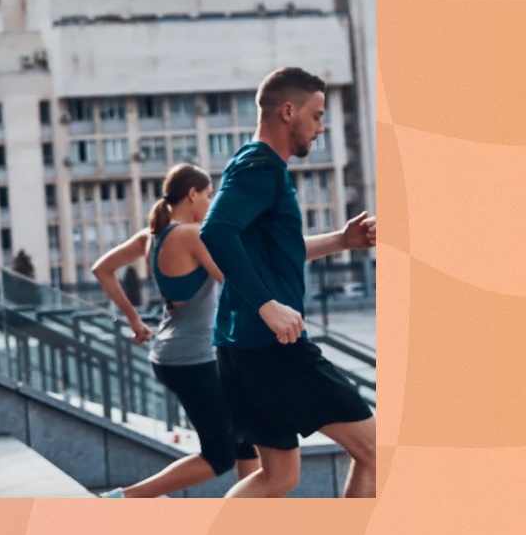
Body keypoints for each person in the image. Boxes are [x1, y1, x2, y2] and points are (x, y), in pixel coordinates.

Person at [201, 66, 376, 497]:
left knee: (279, 476)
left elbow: (276, 250)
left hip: (244, 348)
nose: (320, 128)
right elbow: (215, 231)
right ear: (287, 111)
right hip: (271, 349)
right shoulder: (260, 167)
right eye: (316, 116)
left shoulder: (253, 163)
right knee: (376, 450)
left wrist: (341, 240)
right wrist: (267, 305)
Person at [93, 164, 259, 498]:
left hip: (175, 353)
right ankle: (125, 498)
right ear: (192, 194)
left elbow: (102, 269)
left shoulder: (151, 237)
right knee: (220, 454)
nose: (210, 203)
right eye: (209, 195)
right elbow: (233, 283)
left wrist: (133, 319)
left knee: (245, 438)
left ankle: (252, 525)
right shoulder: (190, 235)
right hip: (194, 357)